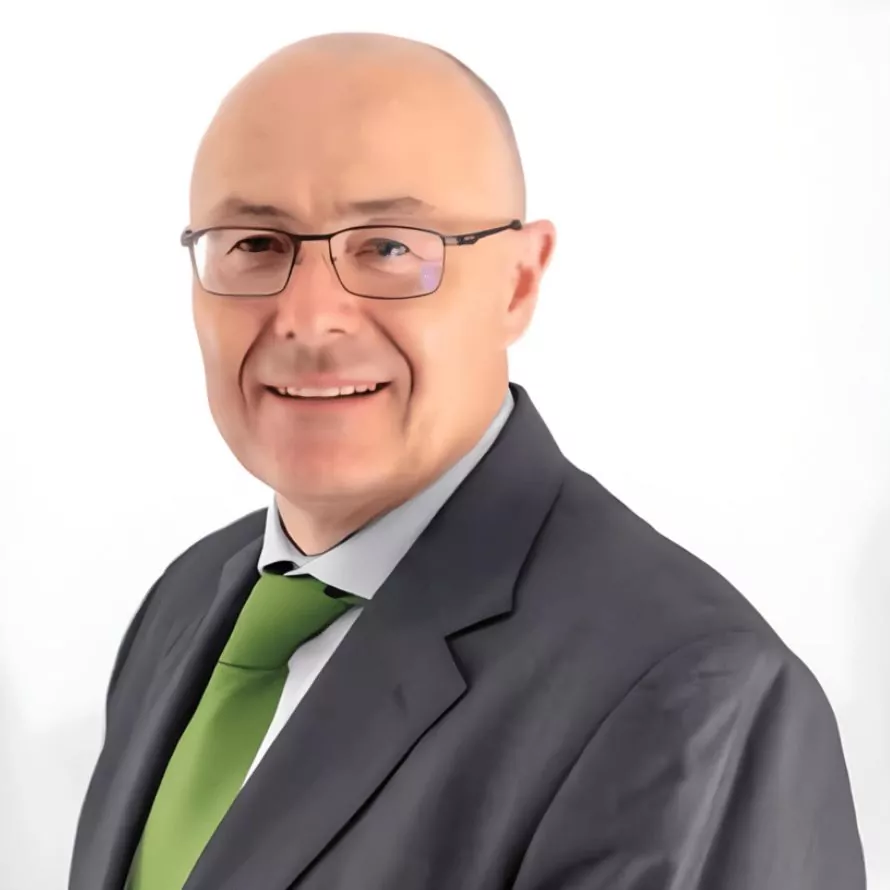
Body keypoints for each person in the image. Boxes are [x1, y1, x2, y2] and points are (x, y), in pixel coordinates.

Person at [68, 32, 865, 890]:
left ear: (519, 282)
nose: (307, 317)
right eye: (256, 244)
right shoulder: (186, 601)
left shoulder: (692, 692)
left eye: (389, 247)